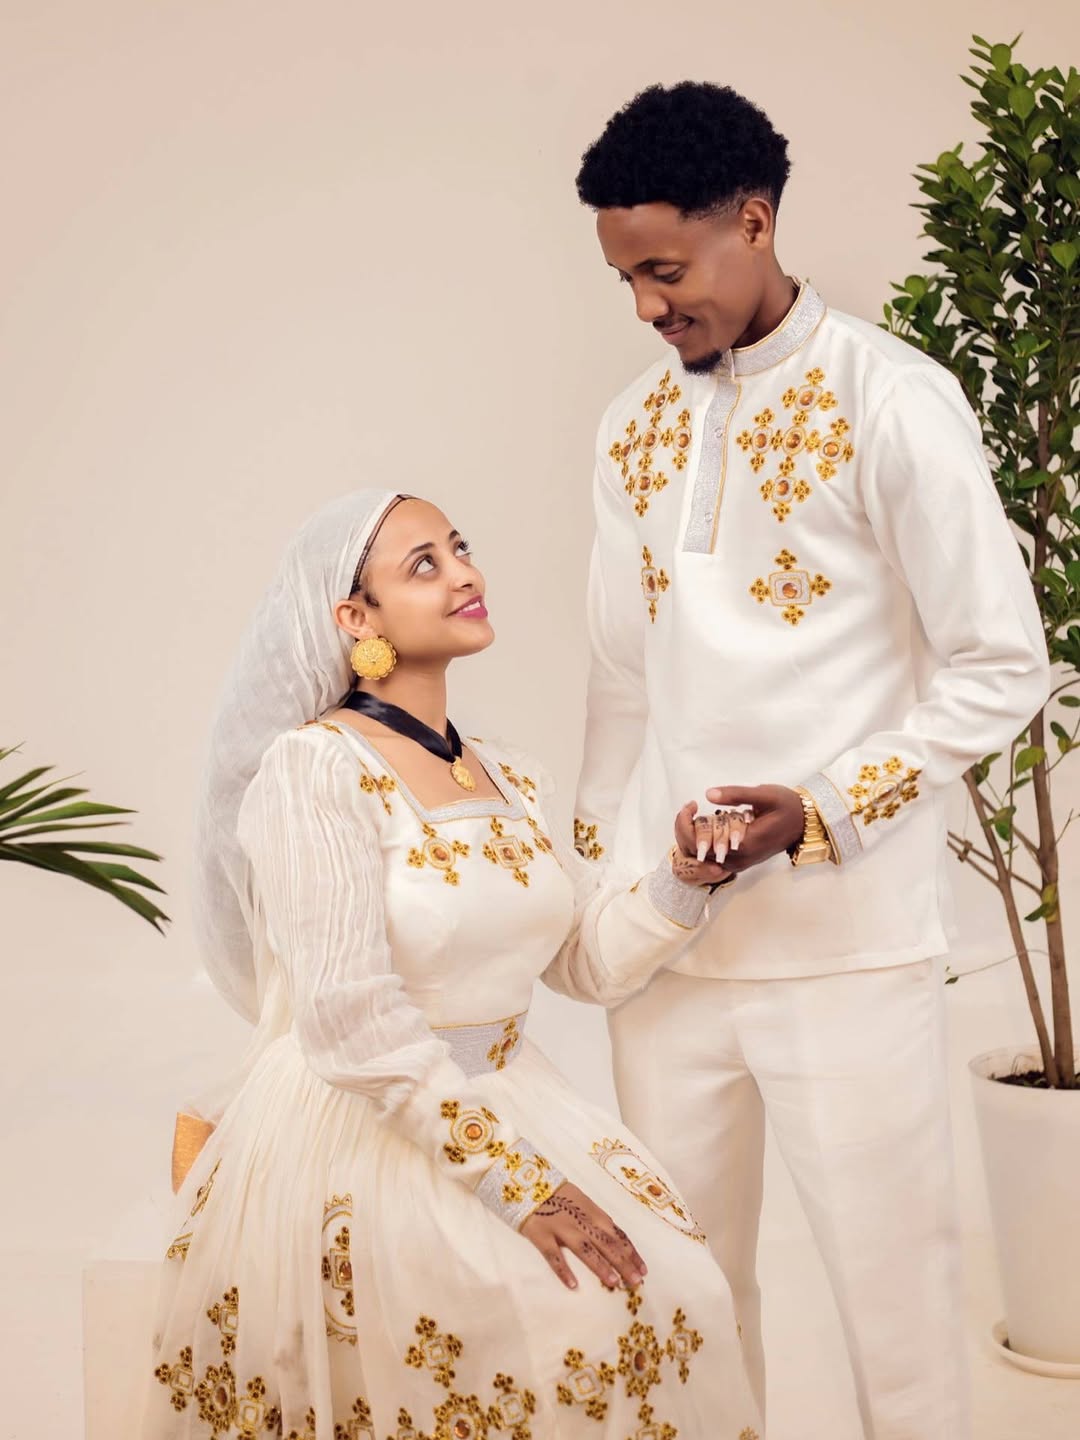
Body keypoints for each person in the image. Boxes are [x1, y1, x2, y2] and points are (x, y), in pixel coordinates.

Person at [572, 81, 1051, 1440]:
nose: (652, 309)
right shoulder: (629, 429)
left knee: (895, 1312)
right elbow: (620, 676)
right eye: (627, 281)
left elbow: (999, 664)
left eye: (666, 270)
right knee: (682, 1304)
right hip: (670, 956)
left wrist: (826, 810)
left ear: (757, 222)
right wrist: (606, 891)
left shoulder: (894, 400)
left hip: (848, 944)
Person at [142, 490, 763, 1440]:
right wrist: (513, 1183)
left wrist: (685, 878)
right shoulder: (317, 772)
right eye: (421, 564)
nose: (465, 574)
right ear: (356, 620)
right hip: (365, 1121)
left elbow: (580, 963)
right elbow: (347, 1016)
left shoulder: (504, 773)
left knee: (677, 1283)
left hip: (516, 1095)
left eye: (460, 549)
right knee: (563, 1318)